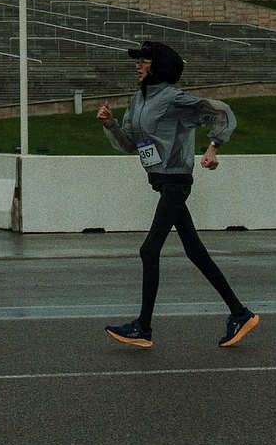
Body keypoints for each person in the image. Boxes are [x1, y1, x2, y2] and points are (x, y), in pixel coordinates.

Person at [96, 39, 258, 350]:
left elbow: (223, 112)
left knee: (149, 250)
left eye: (144, 61)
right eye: (139, 61)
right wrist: (111, 124)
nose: (138, 65)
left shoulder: (174, 100)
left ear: (160, 67)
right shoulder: (138, 100)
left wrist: (212, 147)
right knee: (195, 252)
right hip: (160, 181)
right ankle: (240, 313)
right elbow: (131, 145)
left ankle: (143, 327)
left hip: (176, 183)